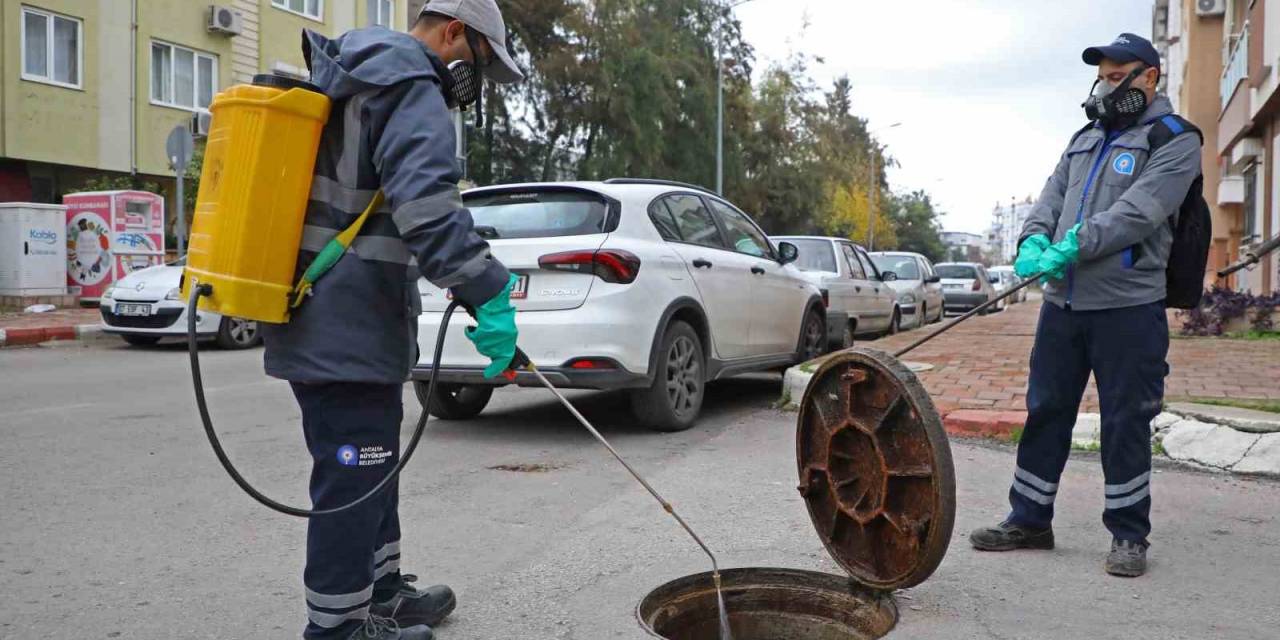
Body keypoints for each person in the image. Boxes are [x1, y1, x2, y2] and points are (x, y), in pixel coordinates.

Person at [259, 1, 524, 638]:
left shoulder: (361, 76)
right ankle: (339, 626)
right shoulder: (410, 81)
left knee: (371, 461)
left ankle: (380, 593)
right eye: (478, 61)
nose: (474, 79)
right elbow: (429, 213)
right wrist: (487, 289)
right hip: (342, 319)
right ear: (454, 31)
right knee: (354, 472)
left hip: (339, 315)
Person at [969, 33, 1202, 578]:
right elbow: (1051, 196)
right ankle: (1028, 518)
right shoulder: (1084, 137)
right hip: (1063, 305)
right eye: (1103, 74)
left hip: (1128, 306)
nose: (1108, 83)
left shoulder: (1174, 139)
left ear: (1150, 78)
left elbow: (1141, 212)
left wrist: (1077, 241)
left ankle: (1128, 534)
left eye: (1120, 75)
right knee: (1046, 408)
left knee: (1125, 420)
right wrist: (1032, 239)